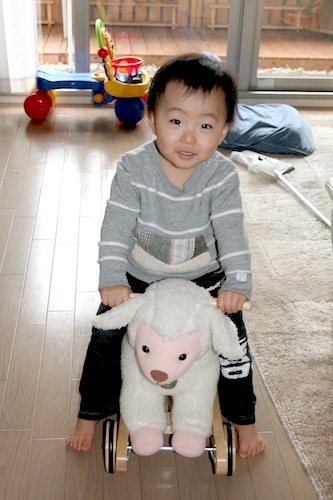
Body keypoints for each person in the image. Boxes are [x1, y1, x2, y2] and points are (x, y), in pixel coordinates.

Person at [67, 52, 265, 459]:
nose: (189, 137)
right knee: (105, 333)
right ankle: (90, 410)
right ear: (151, 116)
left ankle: (244, 420)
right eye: (176, 122)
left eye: (205, 126)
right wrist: (112, 277)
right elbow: (115, 228)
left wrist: (237, 285)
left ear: (224, 129)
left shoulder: (222, 176)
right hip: (140, 276)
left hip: (203, 278)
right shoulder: (133, 168)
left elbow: (232, 233)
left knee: (234, 346)